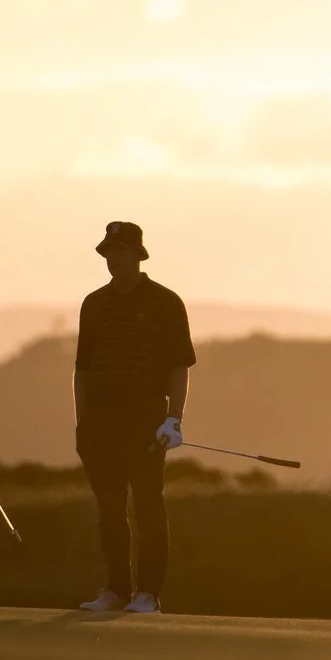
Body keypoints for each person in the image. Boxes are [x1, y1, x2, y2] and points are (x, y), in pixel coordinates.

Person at [74, 222, 195, 614]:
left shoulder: (165, 301)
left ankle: (148, 593)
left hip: (145, 416)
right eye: (109, 252)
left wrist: (173, 419)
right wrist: (82, 423)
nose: (114, 259)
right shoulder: (93, 303)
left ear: (138, 255)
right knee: (110, 510)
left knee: (147, 506)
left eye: (121, 251)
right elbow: (83, 370)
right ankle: (116, 590)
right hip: (100, 420)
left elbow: (179, 367)